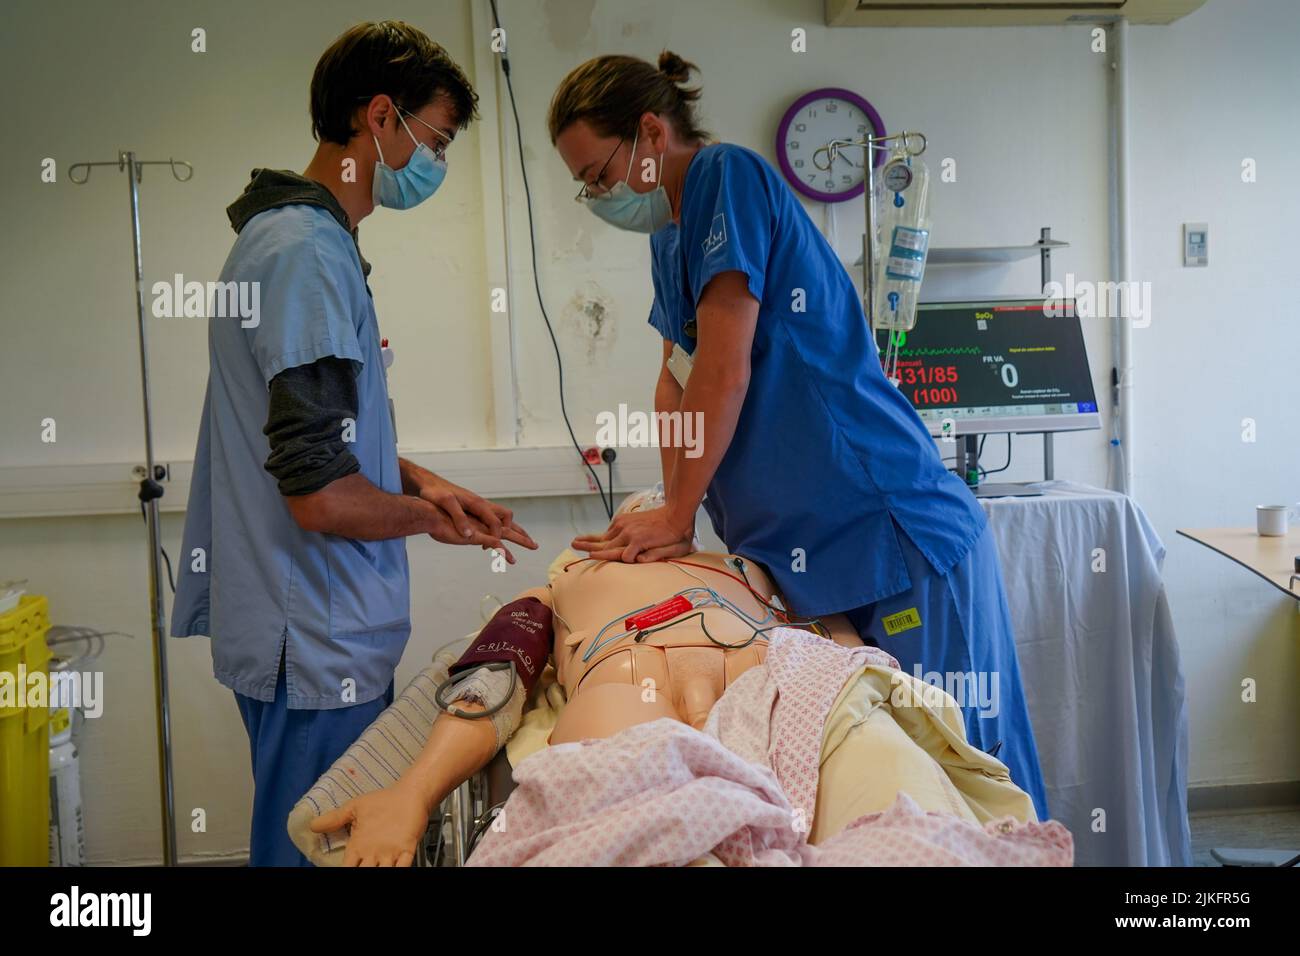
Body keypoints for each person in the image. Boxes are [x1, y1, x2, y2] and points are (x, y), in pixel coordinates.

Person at [547, 50, 1049, 819]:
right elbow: (676, 380)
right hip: (814, 554)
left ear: (651, 132)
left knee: (964, 770)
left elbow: (726, 365)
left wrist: (677, 515)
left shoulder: (726, 177)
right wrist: (672, 510)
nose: (596, 195)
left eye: (599, 173)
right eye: (585, 184)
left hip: (889, 533)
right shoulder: (669, 237)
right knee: (879, 777)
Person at [170, 20, 536, 866]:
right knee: (316, 846)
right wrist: (427, 519)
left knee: (322, 839)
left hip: (315, 622)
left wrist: (422, 481)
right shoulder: (302, 254)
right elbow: (321, 493)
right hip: (314, 632)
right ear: (379, 117)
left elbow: (324, 438)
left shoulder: (309, 244)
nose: (436, 162)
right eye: (436, 139)